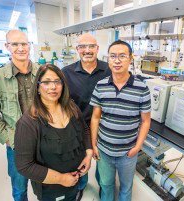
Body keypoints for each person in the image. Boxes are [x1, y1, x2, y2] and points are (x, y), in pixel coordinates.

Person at [14, 64, 93, 201]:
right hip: (51, 189)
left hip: (75, 179)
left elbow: (84, 129)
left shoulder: (71, 107)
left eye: (57, 81)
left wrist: (88, 152)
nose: (53, 87)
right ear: (38, 86)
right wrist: (61, 179)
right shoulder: (28, 123)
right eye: (46, 82)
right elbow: (24, 166)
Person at [90, 40, 151, 201]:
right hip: (104, 150)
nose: (117, 60)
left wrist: (138, 147)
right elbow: (95, 117)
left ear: (130, 59)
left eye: (122, 56)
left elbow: (145, 121)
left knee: (126, 187)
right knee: (106, 184)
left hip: (128, 152)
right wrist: (94, 144)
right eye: (113, 56)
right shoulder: (100, 86)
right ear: (108, 59)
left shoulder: (142, 88)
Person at [0, 30, 39, 201]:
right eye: (15, 44)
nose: (21, 48)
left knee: (45, 184)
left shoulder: (43, 72)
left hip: (43, 140)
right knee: (19, 188)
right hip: (16, 144)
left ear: (29, 45)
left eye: (24, 43)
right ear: (7, 46)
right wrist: (7, 138)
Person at [62, 33, 111, 200]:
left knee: (103, 164)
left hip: (104, 127)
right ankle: (81, 186)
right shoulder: (66, 73)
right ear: (77, 49)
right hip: (78, 128)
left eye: (91, 46)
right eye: (83, 46)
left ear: (97, 49)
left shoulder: (109, 69)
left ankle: (103, 185)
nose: (87, 50)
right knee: (80, 161)